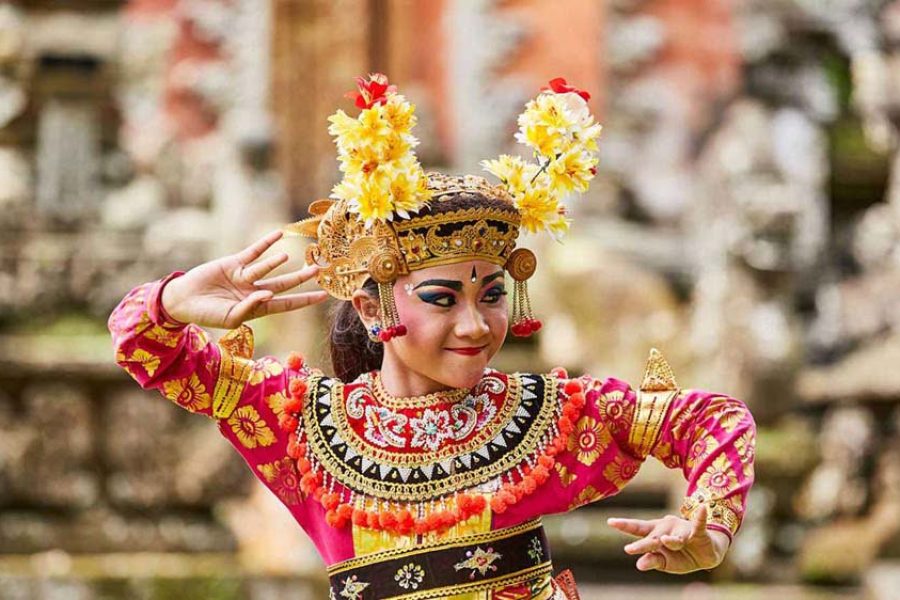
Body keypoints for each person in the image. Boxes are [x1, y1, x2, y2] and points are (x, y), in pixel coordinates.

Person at [109, 74, 755, 600]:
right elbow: (145, 347)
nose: (475, 325)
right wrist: (171, 300)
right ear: (369, 308)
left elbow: (713, 420)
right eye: (442, 300)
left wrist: (713, 522)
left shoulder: (543, 420)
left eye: (493, 296)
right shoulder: (303, 428)